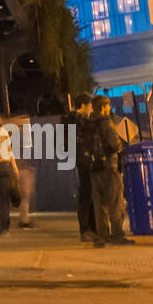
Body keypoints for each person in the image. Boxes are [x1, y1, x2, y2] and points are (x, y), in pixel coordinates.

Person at [87, 95, 134, 247]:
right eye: (107, 106)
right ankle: (117, 235)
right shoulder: (105, 122)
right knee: (115, 202)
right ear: (103, 107)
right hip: (109, 166)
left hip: (94, 169)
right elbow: (114, 144)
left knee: (99, 204)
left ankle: (102, 236)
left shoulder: (87, 124)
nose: (109, 108)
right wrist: (118, 147)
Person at [71, 94, 97, 241]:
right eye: (90, 106)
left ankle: (92, 228)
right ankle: (86, 229)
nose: (91, 109)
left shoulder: (81, 121)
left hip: (85, 161)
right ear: (83, 105)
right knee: (86, 196)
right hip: (82, 162)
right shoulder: (74, 121)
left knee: (91, 195)